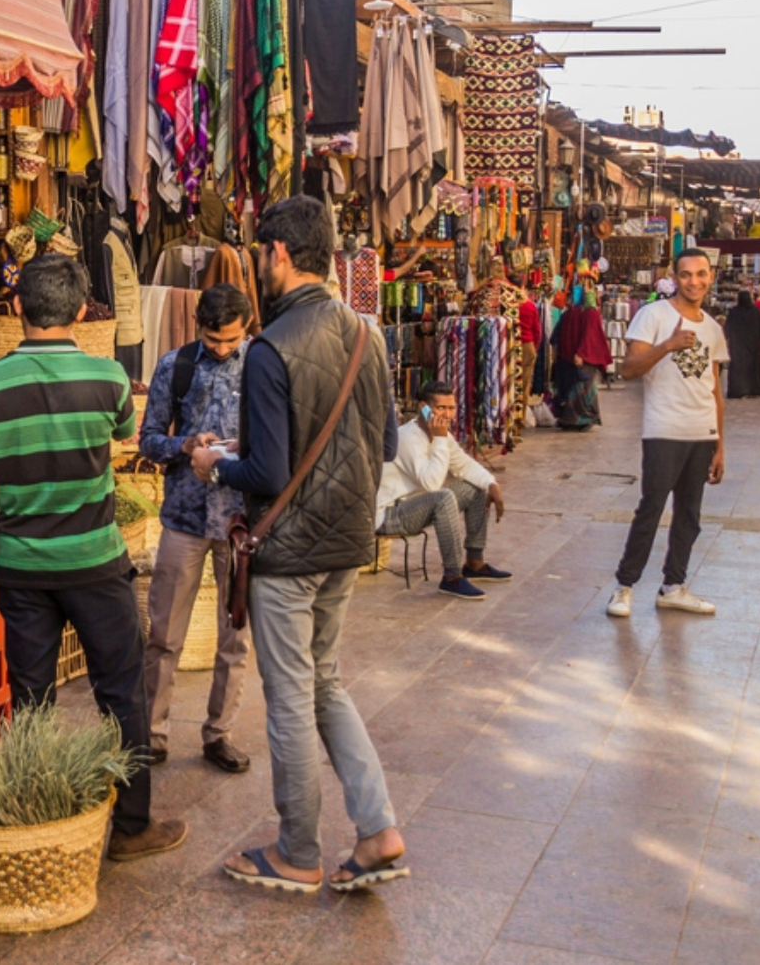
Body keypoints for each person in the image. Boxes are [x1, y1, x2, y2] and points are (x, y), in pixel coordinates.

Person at [187, 196, 405, 894]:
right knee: (326, 684)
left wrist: (214, 463)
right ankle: (377, 830)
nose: (257, 265)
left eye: (259, 253)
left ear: (277, 252)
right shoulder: (367, 334)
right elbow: (389, 443)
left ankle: (298, 850)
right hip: (346, 542)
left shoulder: (270, 349)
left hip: (287, 552)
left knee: (289, 698)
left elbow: (270, 472)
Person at [0, 253, 189, 861]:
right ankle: (132, 827)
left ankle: (36, 822)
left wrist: (16, 463)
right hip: (94, 561)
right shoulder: (109, 377)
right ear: (82, 312)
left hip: (23, 566)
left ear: (19, 309)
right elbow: (122, 439)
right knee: (121, 690)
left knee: (32, 697)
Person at [138, 284, 253, 773]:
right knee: (164, 633)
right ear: (198, 326)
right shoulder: (175, 366)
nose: (222, 349)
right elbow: (147, 440)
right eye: (213, 339)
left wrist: (240, 446)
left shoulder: (264, 366)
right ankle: (151, 734)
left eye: (231, 340)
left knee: (236, 636)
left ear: (247, 327)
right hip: (184, 515)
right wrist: (186, 445)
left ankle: (219, 733)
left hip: (240, 520)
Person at [608, 247, 728, 619]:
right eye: (686, 274)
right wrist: (668, 346)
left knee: (689, 514)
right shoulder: (653, 315)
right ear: (674, 277)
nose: (694, 281)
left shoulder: (712, 327)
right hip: (664, 430)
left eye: (701, 274)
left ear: (710, 277)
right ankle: (624, 587)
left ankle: (673, 585)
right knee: (651, 508)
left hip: (701, 432)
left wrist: (720, 445)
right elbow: (628, 369)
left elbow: (714, 390)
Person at [375, 380, 510, 600]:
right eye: (441, 408)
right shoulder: (409, 438)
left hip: (413, 504)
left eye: (451, 408)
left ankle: (474, 563)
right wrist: (438, 438)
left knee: (476, 487)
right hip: (388, 513)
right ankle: (452, 577)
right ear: (424, 408)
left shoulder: (442, 436)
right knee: (443, 497)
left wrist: (491, 483)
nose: (447, 415)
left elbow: (464, 465)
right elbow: (432, 485)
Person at [551, 290, 612, 430]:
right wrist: (582, 353)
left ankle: (568, 419)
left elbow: (557, 334)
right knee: (583, 389)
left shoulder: (569, 313)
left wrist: (557, 351)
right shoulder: (591, 314)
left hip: (566, 358)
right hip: (584, 359)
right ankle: (582, 419)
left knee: (569, 388)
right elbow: (590, 335)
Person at [723, 291, 760, 399]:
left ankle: (738, 391)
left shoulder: (734, 312)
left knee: (738, 368)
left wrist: (724, 339)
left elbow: (727, 328)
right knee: (754, 368)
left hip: (738, 345)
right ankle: (755, 389)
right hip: (754, 345)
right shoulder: (756, 312)